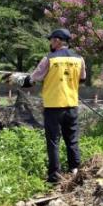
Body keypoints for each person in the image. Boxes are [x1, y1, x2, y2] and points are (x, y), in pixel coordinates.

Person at [11, 28, 86, 183]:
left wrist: (17, 78)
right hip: (72, 105)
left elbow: (32, 80)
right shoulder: (79, 59)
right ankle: (75, 171)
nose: (50, 43)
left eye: (51, 40)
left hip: (53, 106)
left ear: (57, 41)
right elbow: (82, 78)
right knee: (72, 140)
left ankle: (55, 176)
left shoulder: (49, 59)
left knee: (53, 141)